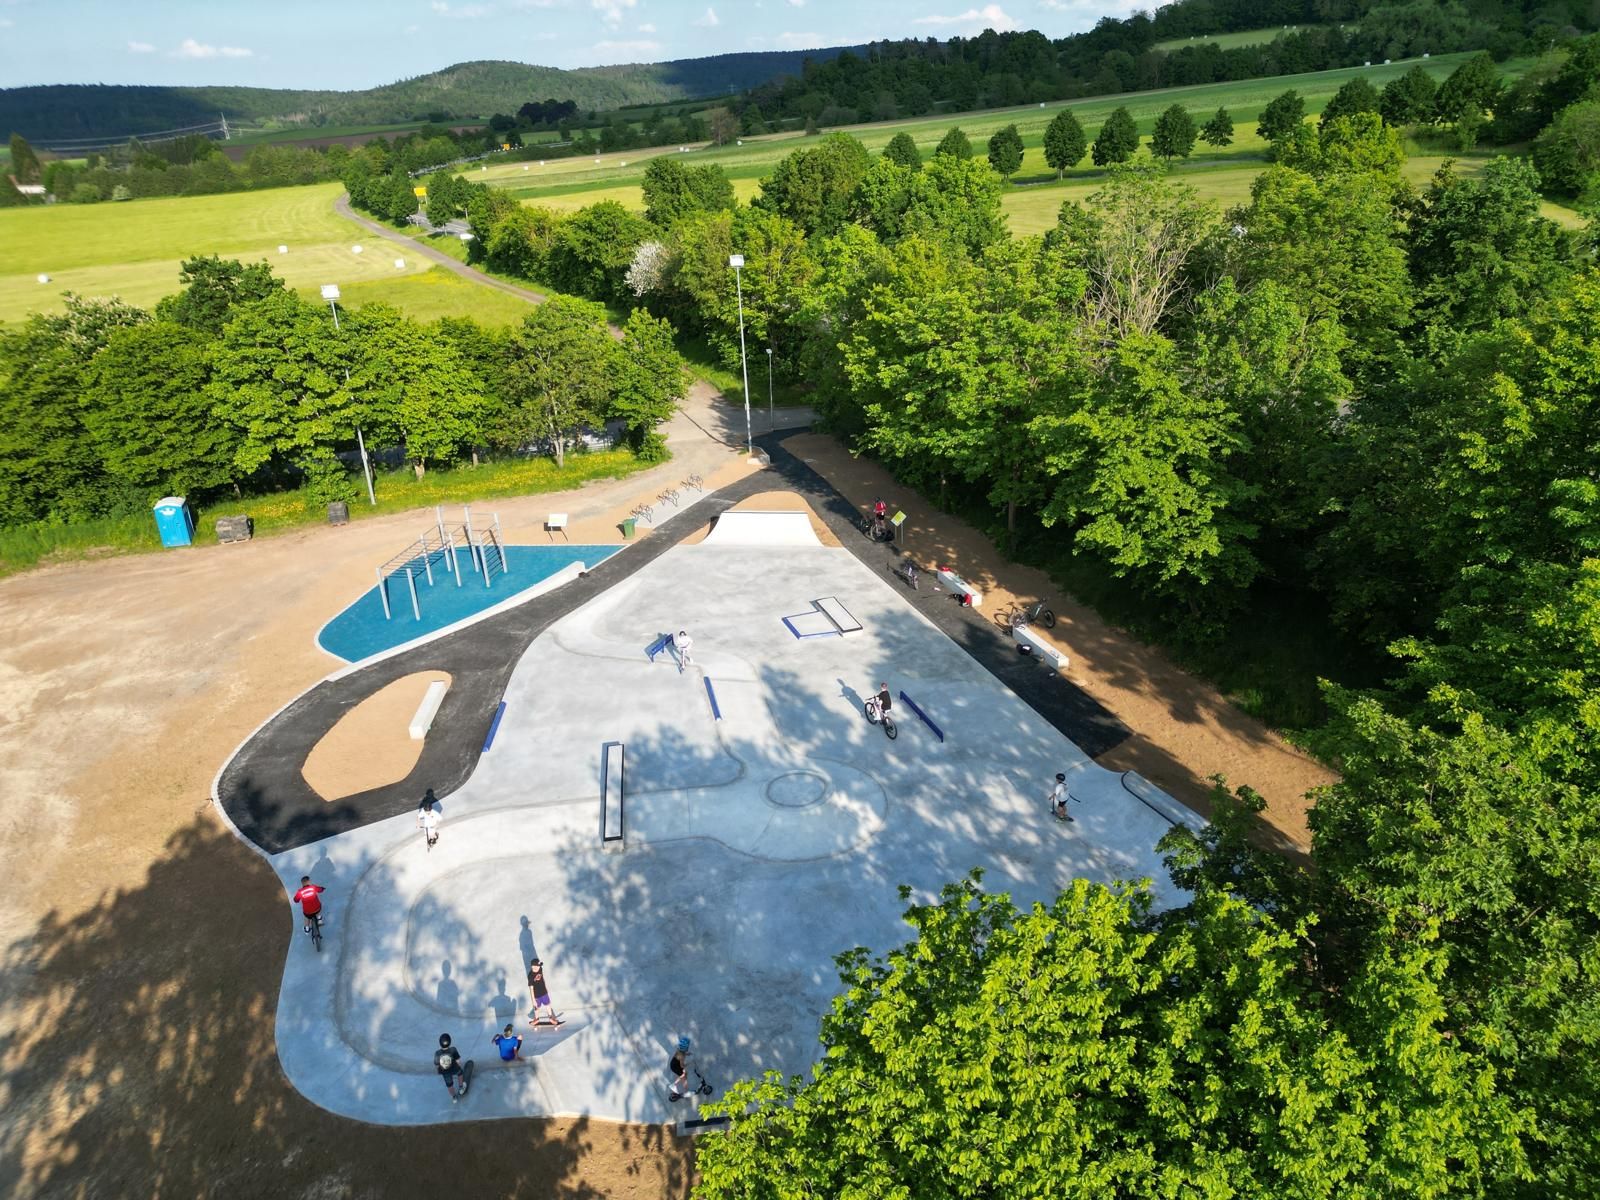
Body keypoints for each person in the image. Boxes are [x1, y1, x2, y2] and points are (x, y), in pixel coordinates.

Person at [527, 958, 563, 1027]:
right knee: (536, 1008)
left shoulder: (540, 969)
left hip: (544, 992)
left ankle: (551, 1018)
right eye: (538, 965)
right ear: (533, 966)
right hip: (536, 995)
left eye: (539, 965)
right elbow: (531, 989)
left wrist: (546, 988)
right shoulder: (530, 976)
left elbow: (542, 979)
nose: (539, 966)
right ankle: (536, 1019)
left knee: (548, 1005)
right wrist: (533, 1000)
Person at [435, 1033, 466, 1101]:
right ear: (450, 1042)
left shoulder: (437, 1053)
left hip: (444, 1072)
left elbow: (437, 1065)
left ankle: (454, 1097)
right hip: (454, 1068)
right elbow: (458, 1061)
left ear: (440, 1043)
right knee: (460, 1074)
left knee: (449, 1086)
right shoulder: (453, 1049)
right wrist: (458, 1067)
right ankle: (461, 1088)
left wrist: (439, 1071)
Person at [668, 1036, 693, 1101]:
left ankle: (675, 1087)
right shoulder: (682, 1056)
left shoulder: (679, 1050)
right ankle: (686, 1091)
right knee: (684, 1076)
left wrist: (687, 1054)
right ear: (686, 1048)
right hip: (675, 1067)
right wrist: (688, 1064)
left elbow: (682, 1053)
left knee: (684, 1075)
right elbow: (682, 1066)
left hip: (673, 1064)